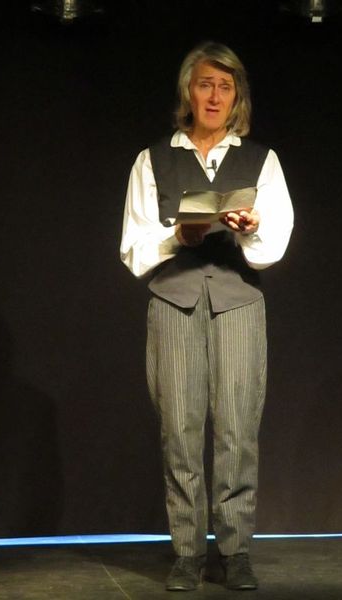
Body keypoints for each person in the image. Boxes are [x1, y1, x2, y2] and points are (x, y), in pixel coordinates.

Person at [120, 41, 294, 591]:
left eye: (225, 87)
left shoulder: (261, 160)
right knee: (180, 429)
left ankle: (235, 551)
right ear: (188, 92)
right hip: (174, 301)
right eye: (204, 85)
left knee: (238, 429)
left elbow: (275, 243)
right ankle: (188, 552)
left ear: (237, 96)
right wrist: (178, 236)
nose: (214, 97)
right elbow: (133, 248)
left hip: (237, 301)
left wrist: (249, 230)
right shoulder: (153, 159)